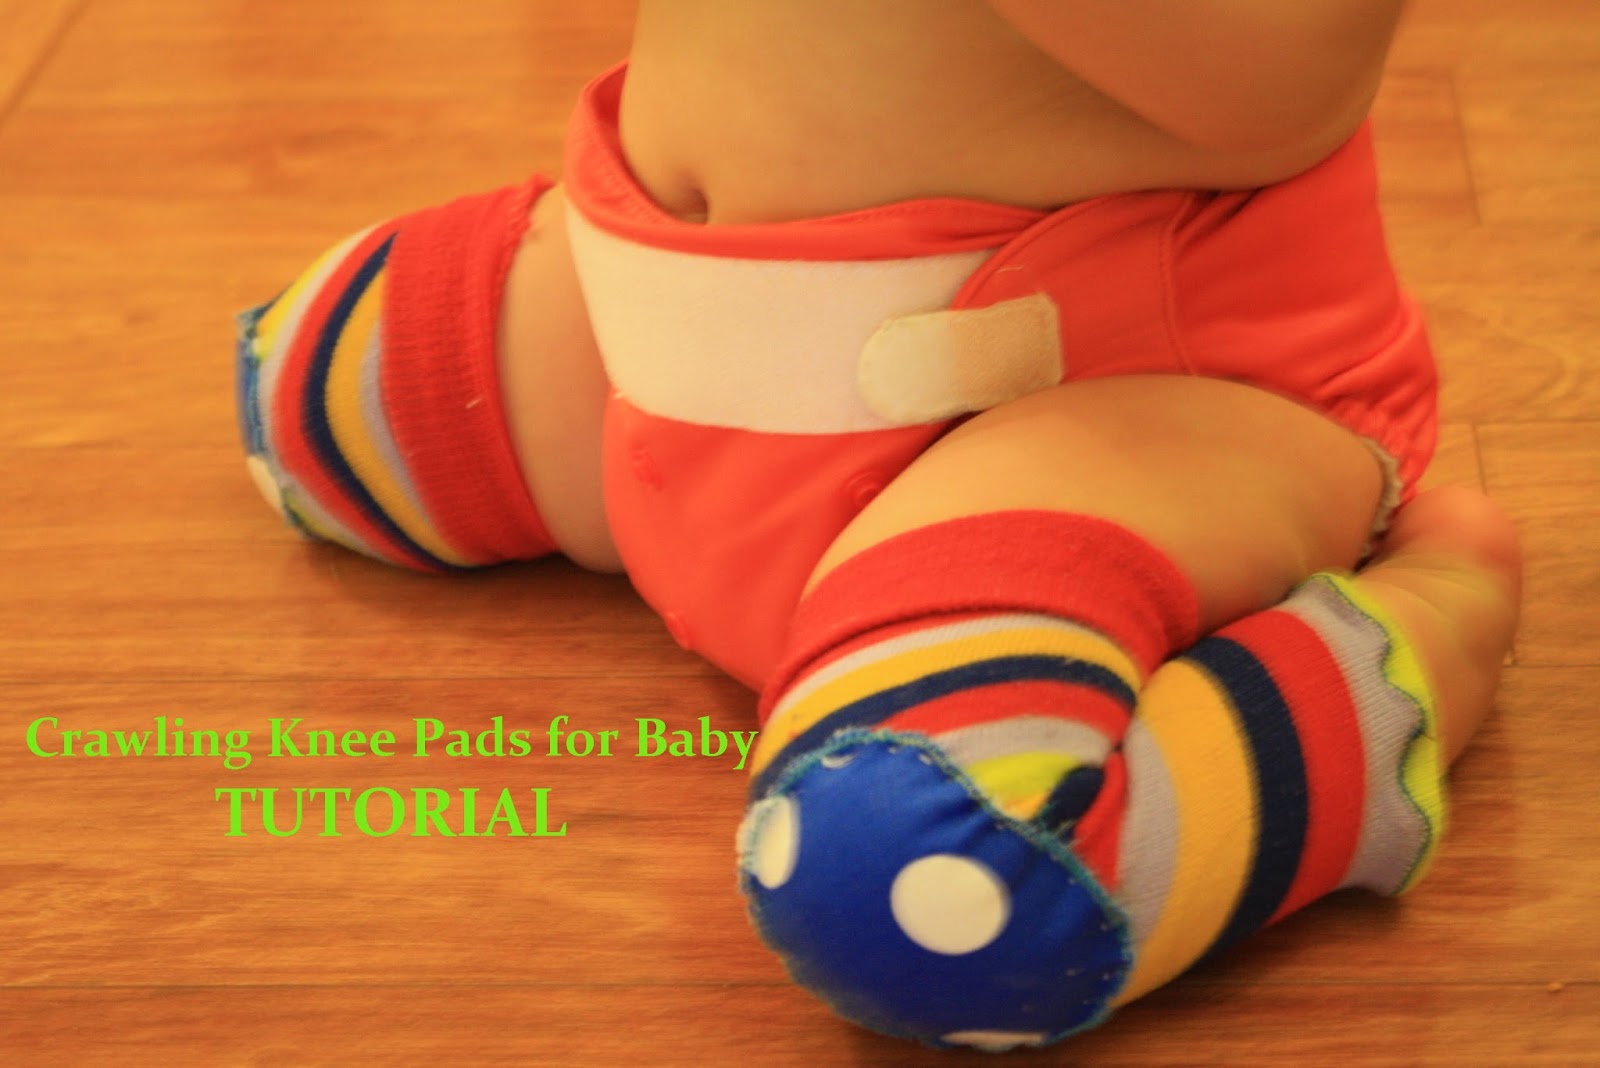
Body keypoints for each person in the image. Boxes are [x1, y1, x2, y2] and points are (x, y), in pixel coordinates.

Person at [234, 1, 1522, 1050]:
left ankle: (1401, 656)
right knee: (315, 389)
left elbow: (1288, 77)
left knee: (926, 875)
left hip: (1093, 396)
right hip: (675, 341)